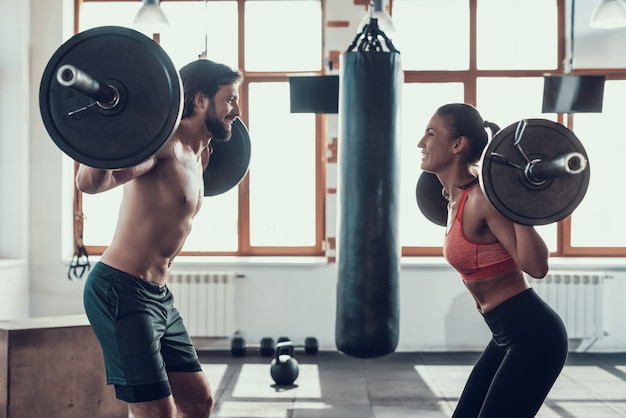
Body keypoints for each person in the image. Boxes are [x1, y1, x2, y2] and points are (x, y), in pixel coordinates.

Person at [77, 59, 243, 418]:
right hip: (119, 290)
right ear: (200, 100)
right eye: (230, 99)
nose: (237, 110)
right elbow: (91, 183)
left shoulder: (204, 155)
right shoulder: (161, 146)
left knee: (198, 404)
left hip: (158, 296)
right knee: (157, 413)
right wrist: (112, 129)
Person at [417, 103, 568, 418]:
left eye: (431, 134)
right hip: (505, 335)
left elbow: (537, 268)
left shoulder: (482, 200)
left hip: (534, 336)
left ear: (458, 145)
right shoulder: (452, 199)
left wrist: (515, 200)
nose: (422, 143)